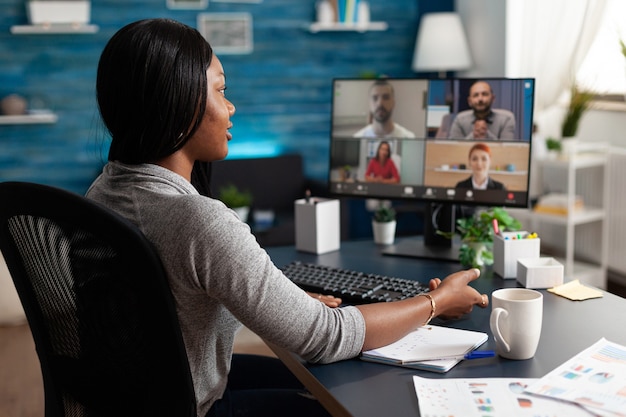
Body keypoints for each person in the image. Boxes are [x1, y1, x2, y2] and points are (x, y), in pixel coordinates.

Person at [87, 18, 489, 417]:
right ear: (178, 101)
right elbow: (325, 338)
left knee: (306, 380)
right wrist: (436, 301)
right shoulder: (198, 220)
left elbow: (171, 298)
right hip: (191, 403)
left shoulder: (104, 191)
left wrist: (282, 300)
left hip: (143, 391)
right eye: (221, 90)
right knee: (345, 401)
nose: (231, 106)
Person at [448, 80, 516, 140]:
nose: (480, 99)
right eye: (476, 95)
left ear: (493, 98)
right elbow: (454, 149)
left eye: (484, 94)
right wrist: (474, 135)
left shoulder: (507, 119)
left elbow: (506, 149)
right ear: (469, 101)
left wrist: (486, 134)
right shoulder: (460, 119)